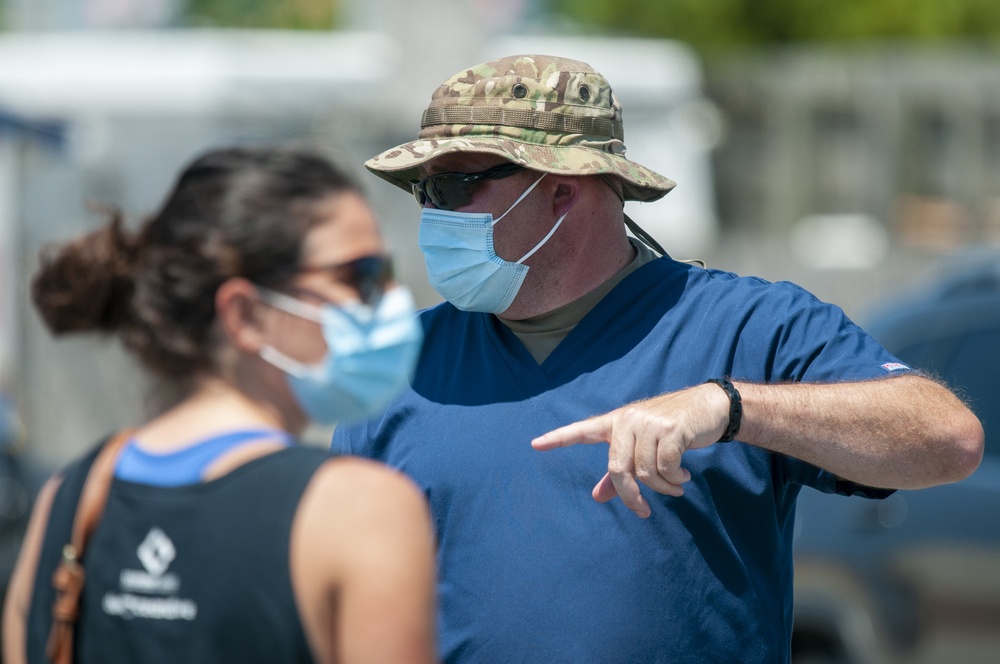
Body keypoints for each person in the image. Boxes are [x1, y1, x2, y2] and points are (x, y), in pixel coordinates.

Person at [330, 54, 985, 663]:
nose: (431, 215)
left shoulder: (748, 329)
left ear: (562, 191)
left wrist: (730, 407)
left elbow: (947, 439)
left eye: (455, 187)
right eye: (424, 191)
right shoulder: (399, 366)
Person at [2, 147, 437, 664]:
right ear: (245, 314)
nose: (391, 299)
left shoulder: (69, 497)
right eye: (360, 276)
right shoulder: (362, 509)